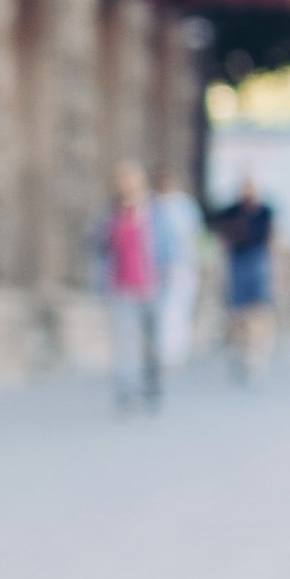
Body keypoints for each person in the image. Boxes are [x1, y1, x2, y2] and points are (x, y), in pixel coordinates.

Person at [96, 164, 167, 412]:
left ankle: (151, 387)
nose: (127, 186)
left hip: (151, 286)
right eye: (123, 181)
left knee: (150, 342)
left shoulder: (156, 212)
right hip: (121, 287)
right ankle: (126, 392)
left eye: (132, 180)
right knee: (125, 343)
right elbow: (100, 245)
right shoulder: (111, 214)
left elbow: (169, 247)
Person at [209, 174, 277, 381]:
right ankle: (239, 351)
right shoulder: (231, 211)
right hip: (237, 262)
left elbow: (270, 236)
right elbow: (220, 232)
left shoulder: (264, 211)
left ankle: (256, 355)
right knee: (237, 313)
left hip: (257, 261)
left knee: (258, 312)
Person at [152, 171, 206, 372]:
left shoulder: (185, 206)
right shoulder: (152, 206)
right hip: (157, 266)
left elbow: (196, 235)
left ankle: (175, 350)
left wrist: (199, 261)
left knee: (178, 308)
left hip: (182, 264)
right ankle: (163, 350)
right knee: (162, 309)